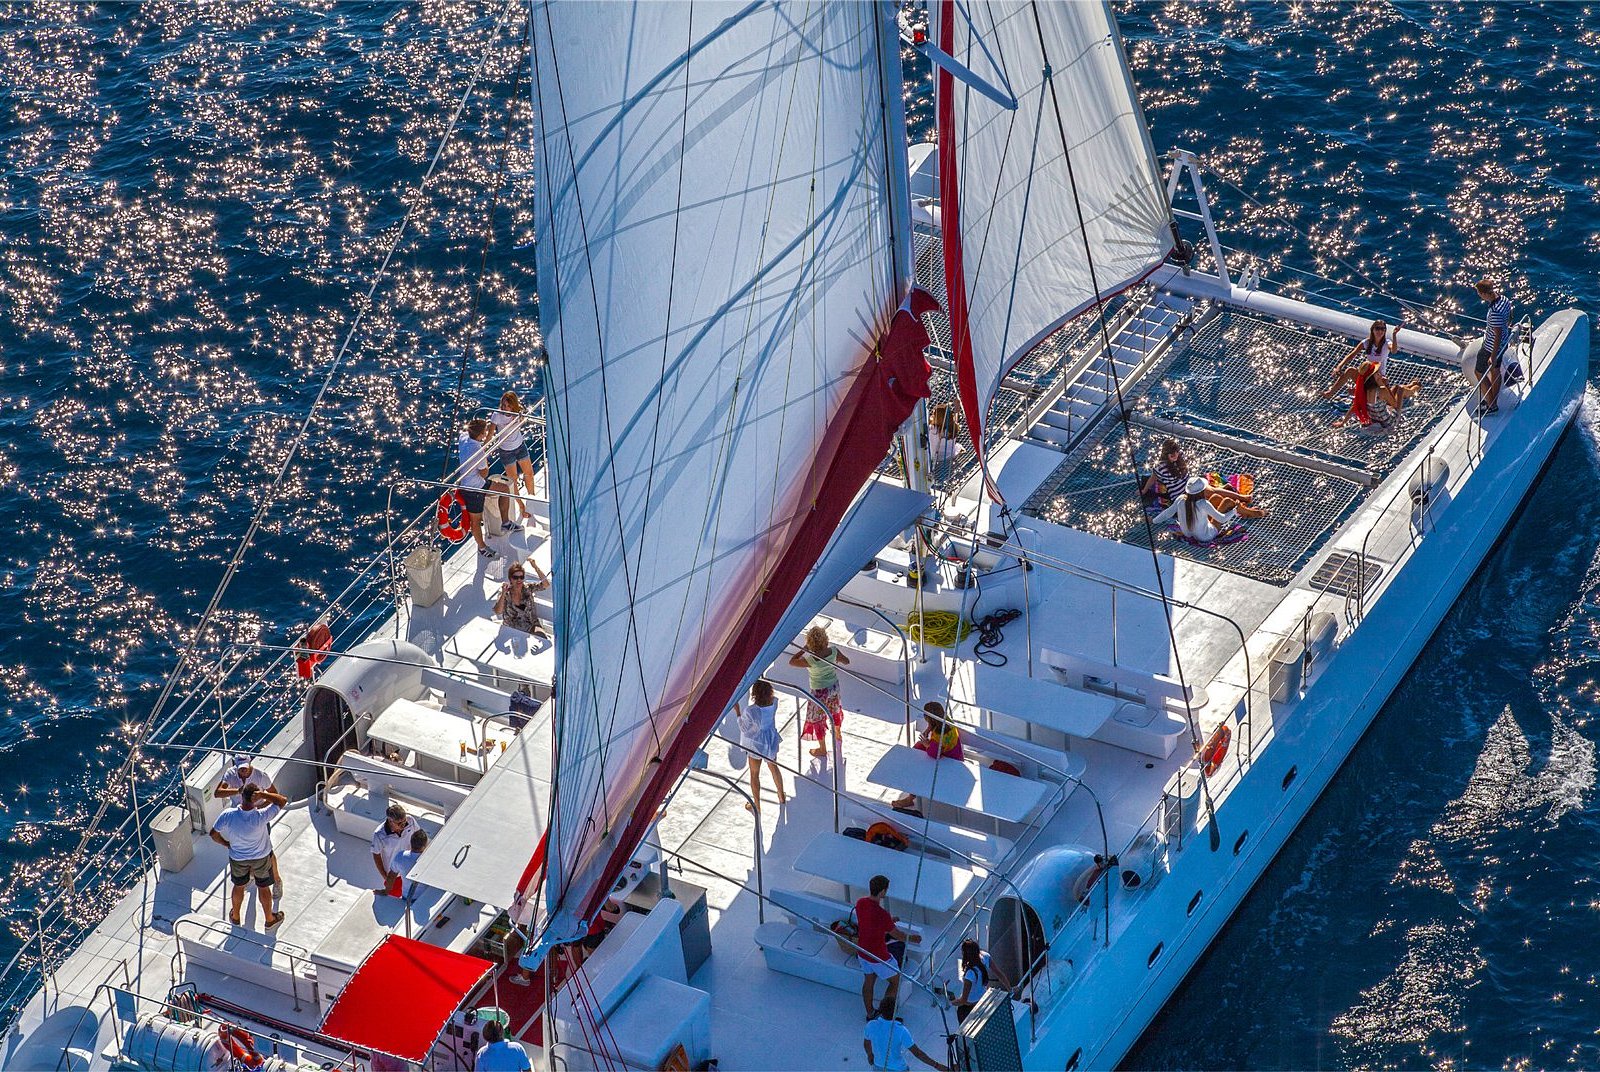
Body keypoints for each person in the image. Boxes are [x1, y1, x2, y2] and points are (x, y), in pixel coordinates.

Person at [209, 784, 287, 929]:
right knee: (263, 888)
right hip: (261, 858)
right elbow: (282, 800)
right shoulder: (262, 816)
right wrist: (263, 795)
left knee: (238, 886)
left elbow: (213, 834)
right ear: (255, 798)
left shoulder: (228, 815)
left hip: (238, 859)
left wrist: (226, 844)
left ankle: (236, 917)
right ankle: (269, 920)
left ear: (241, 796)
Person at [214, 755, 283, 903]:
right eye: (241, 769)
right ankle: (252, 876)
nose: (243, 771)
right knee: (246, 852)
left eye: (246, 768)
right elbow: (218, 793)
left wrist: (259, 808)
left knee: (268, 852)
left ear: (250, 764)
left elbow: (275, 795)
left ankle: (276, 880)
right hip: (239, 819)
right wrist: (239, 791)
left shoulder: (260, 776)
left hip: (257, 818)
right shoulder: (230, 774)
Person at [1139, 439, 1264, 518]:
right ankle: (1241, 508)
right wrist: (1144, 490)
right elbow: (1152, 479)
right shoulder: (1160, 467)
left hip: (1191, 484)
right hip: (1181, 494)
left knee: (1211, 492)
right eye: (1172, 455)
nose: (1175, 456)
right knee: (1212, 499)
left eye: (1176, 453)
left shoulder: (1180, 458)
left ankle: (1242, 499)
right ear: (1166, 455)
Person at [856, 875, 921, 1019]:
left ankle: (870, 1013)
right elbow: (899, 936)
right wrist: (914, 939)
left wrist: (889, 921)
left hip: (862, 951)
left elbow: (870, 922)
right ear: (882, 892)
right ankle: (885, 1015)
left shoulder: (860, 903)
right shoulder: (882, 914)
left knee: (868, 981)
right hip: (878, 956)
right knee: (895, 981)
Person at [788, 625, 848, 758]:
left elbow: (792, 662)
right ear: (826, 639)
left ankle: (822, 748)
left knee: (817, 719)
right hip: (833, 688)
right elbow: (847, 662)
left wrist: (803, 650)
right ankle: (838, 733)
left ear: (810, 644)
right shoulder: (834, 651)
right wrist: (835, 660)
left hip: (819, 692)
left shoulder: (810, 660)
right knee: (835, 711)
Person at [891, 702, 962, 811]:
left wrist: (927, 744)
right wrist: (927, 731)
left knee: (918, 770)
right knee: (916, 750)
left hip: (948, 760)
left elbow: (935, 754)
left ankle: (911, 797)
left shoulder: (940, 735)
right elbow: (933, 726)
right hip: (953, 753)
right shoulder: (945, 720)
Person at [733, 679, 784, 815]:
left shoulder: (751, 710)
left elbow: (744, 728)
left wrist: (738, 712)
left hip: (756, 745)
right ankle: (781, 795)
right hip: (770, 740)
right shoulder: (774, 702)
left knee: (754, 774)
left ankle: (757, 805)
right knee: (774, 767)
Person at [1152, 476, 1252, 544]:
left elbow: (1166, 514)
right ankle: (1243, 510)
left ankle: (1241, 509)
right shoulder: (1203, 503)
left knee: (1216, 497)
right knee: (1226, 502)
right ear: (1201, 491)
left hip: (1188, 533)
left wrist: (1153, 521)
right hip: (1206, 536)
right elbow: (1222, 519)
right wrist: (1234, 511)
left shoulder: (1181, 499)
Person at [458, 418, 505, 560]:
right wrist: (485, 460)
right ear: (480, 435)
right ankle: (482, 547)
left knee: (503, 489)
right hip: (475, 489)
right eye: (484, 432)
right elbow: (485, 473)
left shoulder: (463, 437)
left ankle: (506, 521)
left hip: (465, 484)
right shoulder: (477, 451)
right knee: (476, 521)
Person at [1328, 359, 1419, 428]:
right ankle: (1416, 388)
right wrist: (1385, 385)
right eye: (1377, 373)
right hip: (1389, 422)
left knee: (1395, 388)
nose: (1380, 374)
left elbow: (1354, 407)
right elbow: (1394, 404)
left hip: (1375, 418)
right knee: (1400, 389)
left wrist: (1343, 422)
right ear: (1372, 377)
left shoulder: (1362, 390)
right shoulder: (1382, 390)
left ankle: (1411, 384)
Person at [863, 997, 945, 1072]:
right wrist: (936, 1065)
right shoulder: (901, 1030)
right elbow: (917, 1053)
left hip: (878, 1067)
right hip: (898, 1069)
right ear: (896, 1011)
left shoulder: (871, 1025)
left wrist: (870, 1055)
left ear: (880, 1009)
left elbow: (866, 1043)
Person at [494, 390, 538, 528]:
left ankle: (532, 500)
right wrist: (484, 447)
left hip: (520, 446)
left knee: (529, 474)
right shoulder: (497, 416)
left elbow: (523, 418)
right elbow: (490, 433)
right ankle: (521, 506)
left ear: (513, 405)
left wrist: (521, 417)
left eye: (508, 406)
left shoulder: (518, 412)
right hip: (506, 451)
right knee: (513, 481)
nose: (506, 408)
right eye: (504, 405)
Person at [1473, 278, 1513, 415]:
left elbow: (1497, 334)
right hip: (1503, 343)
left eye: (1479, 293)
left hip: (1491, 347)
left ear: (1484, 294)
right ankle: (1493, 401)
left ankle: (1491, 404)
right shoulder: (1504, 300)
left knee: (1478, 372)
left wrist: (1493, 356)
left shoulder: (1494, 311)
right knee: (1495, 372)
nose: (1479, 295)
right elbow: (1509, 316)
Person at [948, 938, 1011, 1023]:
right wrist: (1010, 989)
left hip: (968, 1008)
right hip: (981, 1002)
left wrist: (950, 1003)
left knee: (964, 1031)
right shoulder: (986, 957)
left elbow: (963, 1000)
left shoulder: (970, 974)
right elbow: (999, 974)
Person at [1327, 318, 1401, 387]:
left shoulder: (1387, 343)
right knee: (1350, 370)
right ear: (1373, 330)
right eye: (1377, 328)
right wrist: (1339, 366)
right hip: (1367, 375)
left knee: (1378, 376)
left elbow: (1394, 351)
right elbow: (1352, 355)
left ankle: (1360, 390)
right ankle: (1330, 393)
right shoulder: (1366, 342)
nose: (1380, 331)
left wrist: (1394, 335)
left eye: (1382, 329)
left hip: (1379, 377)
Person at [371, 804, 422, 896]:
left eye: (404, 821)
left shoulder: (410, 820)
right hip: (394, 875)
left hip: (411, 868)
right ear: (390, 821)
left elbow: (418, 835)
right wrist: (386, 877)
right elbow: (376, 855)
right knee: (392, 898)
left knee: (414, 895)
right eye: (399, 823)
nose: (403, 825)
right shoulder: (379, 834)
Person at [494, 561, 549, 637]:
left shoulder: (528, 588)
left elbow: (546, 585)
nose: (519, 580)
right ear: (510, 579)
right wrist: (503, 593)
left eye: (521, 577)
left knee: (543, 637)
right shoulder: (506, 594)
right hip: (511, 628)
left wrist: (536, 567)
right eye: (515, 577)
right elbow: (498, 611)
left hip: (531, 625)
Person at [927, 402, 963, 472]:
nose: (932, 416)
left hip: (938, 458)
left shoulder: (933, 430)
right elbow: (956, 415)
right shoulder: (954, 426)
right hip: (950, 454)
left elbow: (929, 422)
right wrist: (957, 402)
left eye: (934, 415)